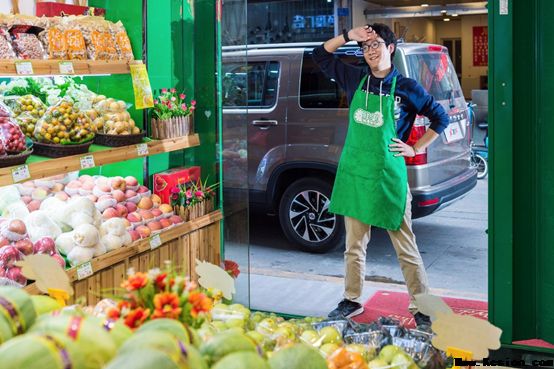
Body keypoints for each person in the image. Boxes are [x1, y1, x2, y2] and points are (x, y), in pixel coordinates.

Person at [312, 23, 449, 329]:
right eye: (366, 47)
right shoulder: (354, 78)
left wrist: (414, 148)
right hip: (356, 175)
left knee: (406, 247)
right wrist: (349, 36)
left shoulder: (408, 88)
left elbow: (440, 117)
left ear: (390, 49)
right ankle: (351, 299)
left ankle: (421, 306)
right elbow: (319, 54)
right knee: (354, 246)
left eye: (376, 45)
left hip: (389, 176)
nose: (370, 51)